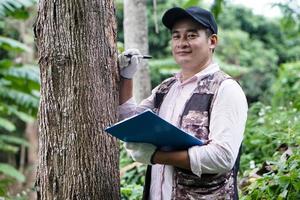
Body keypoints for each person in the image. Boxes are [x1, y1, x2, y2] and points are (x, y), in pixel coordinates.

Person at [118, 6, 248, 200]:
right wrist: (126, 77)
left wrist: (156, 156)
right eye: (176, 36)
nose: (182, 43)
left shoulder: (226, 89)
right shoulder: (166, 88)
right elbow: (129, 121)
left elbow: (223, 157)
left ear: (212, 41)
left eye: (191, 35)